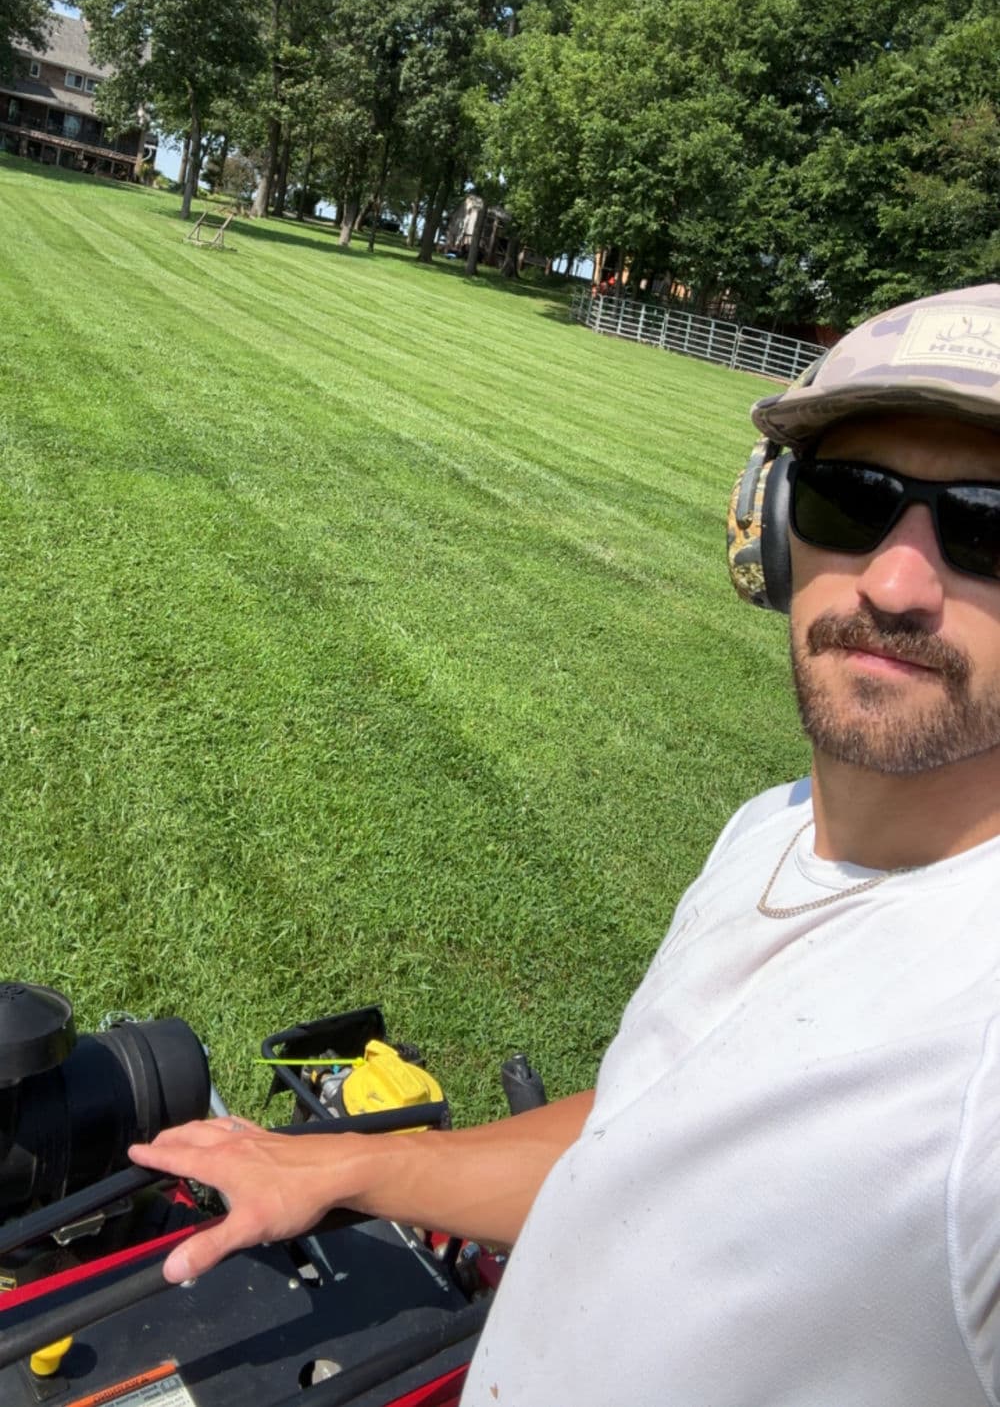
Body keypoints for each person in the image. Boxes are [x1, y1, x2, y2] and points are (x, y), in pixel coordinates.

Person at [132, 283, 1000, 1406]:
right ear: (775, 527)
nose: (892, 579)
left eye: (987, 523)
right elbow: (649, 1130)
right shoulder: (772, 825)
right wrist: (357, 1159)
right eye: (851, 495)